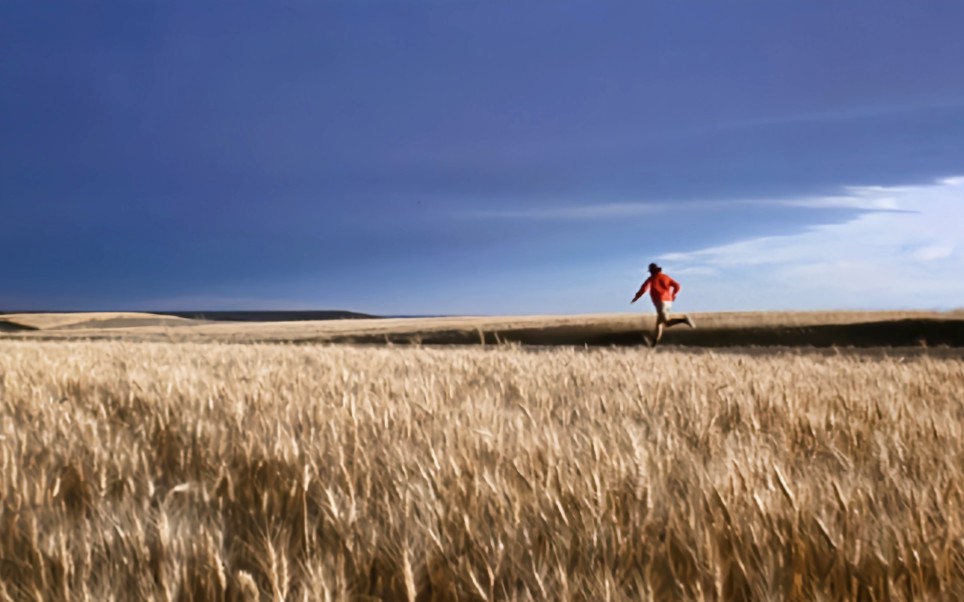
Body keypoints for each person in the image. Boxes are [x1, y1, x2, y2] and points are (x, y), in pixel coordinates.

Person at [631, 263, 695, 347]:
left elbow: (643, 289)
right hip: (668, 302)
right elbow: (677, 286)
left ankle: (684, 319)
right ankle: (653, 344)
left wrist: (636, 298)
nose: (650, 273)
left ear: (652, 271)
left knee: (666, 323)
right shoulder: (666, 277)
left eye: (650, 271)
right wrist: (673, 295)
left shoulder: (651, 279)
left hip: (660, 302)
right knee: (659, 324)